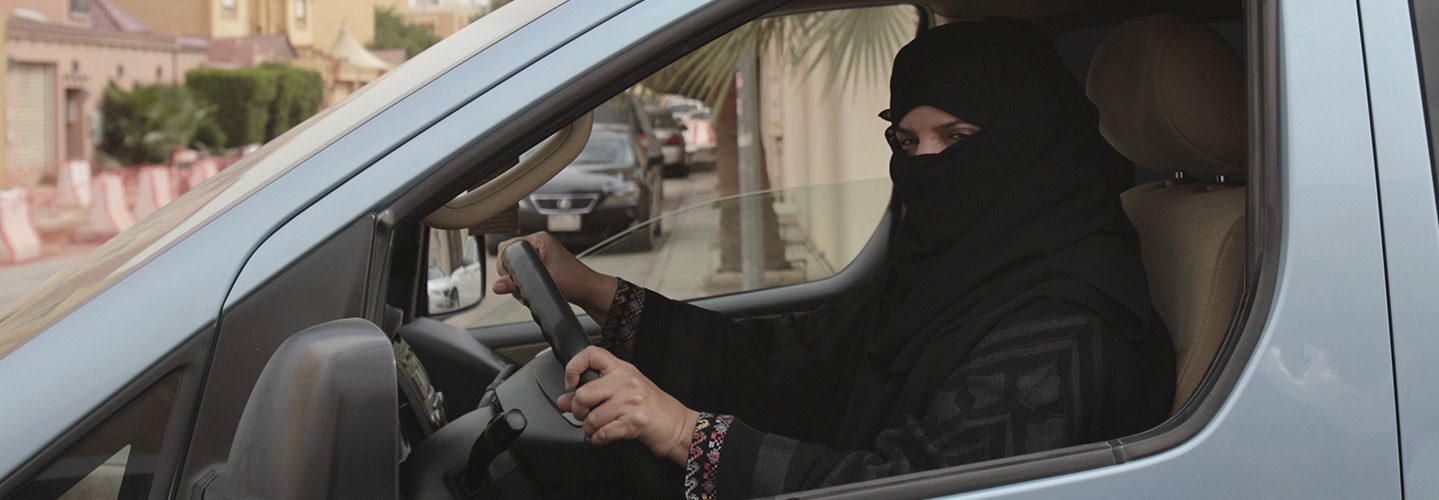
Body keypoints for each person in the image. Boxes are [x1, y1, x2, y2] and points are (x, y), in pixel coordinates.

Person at [494, 18, 1174, 499]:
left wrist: (683, 433)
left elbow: (915, 484)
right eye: (906, 143)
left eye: (958, 136)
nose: (927, 165)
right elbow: (797, 367)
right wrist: (591, 288)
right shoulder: (944, 266)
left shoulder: (1064, 323)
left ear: (1033, 141)